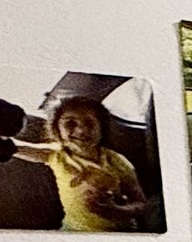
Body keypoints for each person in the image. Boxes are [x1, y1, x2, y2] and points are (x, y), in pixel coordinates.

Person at [28, 90, 149, 232]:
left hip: (118, 232)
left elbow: (141, 203)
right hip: (73, 230)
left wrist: (117, 211)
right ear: (57, 129)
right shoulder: (56, 155)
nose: (81, 131)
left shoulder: (117, 161)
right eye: (70, 124)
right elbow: (14, 148)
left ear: (102, 129)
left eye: (90, 124)